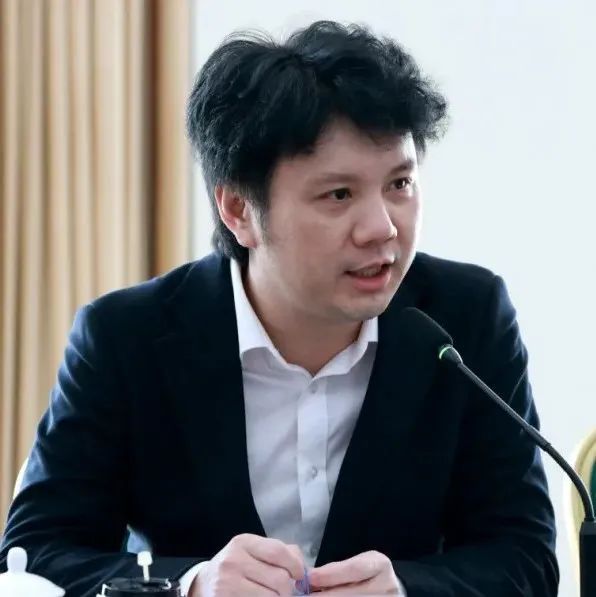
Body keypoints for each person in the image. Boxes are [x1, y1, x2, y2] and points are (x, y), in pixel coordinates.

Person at [0, 20, 558, 597]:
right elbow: (34, 555)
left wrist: (407, 590)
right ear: (239, 210)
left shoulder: (466, 319)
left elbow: (526, 557)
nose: (382, 228)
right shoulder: (126, 338)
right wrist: (191, 586)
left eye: (399, 184)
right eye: (338, 195)